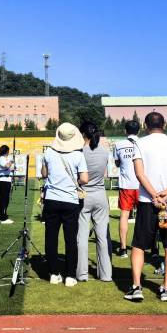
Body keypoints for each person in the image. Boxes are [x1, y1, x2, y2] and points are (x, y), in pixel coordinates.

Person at [124, 112, 167, 303]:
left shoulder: (140, 144)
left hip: (148, 202)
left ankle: (137, 286)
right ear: (165, 124)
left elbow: (139, 173)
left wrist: (155, 195)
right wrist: (166, 194)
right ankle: (166, 289)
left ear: (145, 125)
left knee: (139, 245)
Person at [41, 122, 88, 287]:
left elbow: (44, 174)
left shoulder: (48, 152)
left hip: (51, 199)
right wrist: (73, 182)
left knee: (51, 238)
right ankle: (70, 275)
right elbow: (85, 179)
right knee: (70, 239)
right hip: (70, 200)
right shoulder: (78, 155)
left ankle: (53, 273)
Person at [76, 122, 111, 282]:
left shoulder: (79, 152)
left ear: (83, 134)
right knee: (102, 237)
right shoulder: (104, 151)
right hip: (100, 195)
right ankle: (106, 274)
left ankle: (82, 274)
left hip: (83, 195)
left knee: (82, 236)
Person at [113, 120, 141, 258]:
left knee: (124, 215)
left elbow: (117, 163)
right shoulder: (143, 143)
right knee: (145, 216)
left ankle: (123, 248)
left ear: (125, 131)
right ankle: (150, 248)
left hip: (126, 185)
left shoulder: (118, 145)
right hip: (142, 185)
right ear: (139, 131)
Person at [0, 145, 15, 224]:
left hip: (7, 180)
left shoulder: (4, 159)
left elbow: (7, 168)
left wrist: (12, 168)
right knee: (4, 199)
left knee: (6, 199)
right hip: (3, 180)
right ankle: (3, 218)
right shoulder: (1, 158)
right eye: (8, 151)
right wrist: (11, 161)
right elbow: (7, 165)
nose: (8, 152)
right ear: (6, 151)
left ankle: (4, 215)